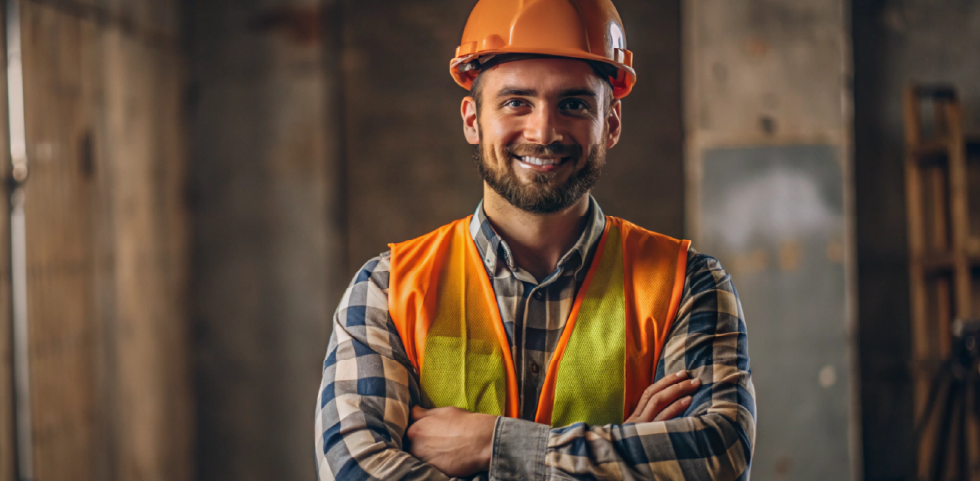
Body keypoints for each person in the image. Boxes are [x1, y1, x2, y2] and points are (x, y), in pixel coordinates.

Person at [314, 0, 755, 479]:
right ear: (471, 120)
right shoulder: (388, 290)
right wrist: (622, 455)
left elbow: (718, 456)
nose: (544, 132)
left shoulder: (686, 285)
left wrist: (496, 445)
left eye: (574, 104)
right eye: (515, 102)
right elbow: (356, 469)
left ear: (611, 123)